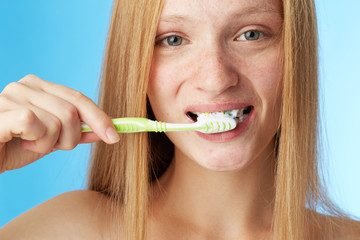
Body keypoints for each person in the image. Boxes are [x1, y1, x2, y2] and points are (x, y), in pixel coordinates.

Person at [0, 0, 359, 239]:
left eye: (251, 34)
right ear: (136, 65)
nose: (216, 79)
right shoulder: (68, 231)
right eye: (173, 40)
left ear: (295, 51)